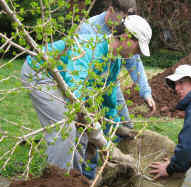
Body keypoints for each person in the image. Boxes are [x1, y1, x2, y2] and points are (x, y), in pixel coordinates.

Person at [21, 15, 152, 177]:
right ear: (126, 37)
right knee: (65, 129)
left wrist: (116, 126)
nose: (136, 54)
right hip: (41, 73)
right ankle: (56, 183)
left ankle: (75, 182)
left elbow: (108, 97)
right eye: (138, 48)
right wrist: (98, 135)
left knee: (81, 133)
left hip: (65, 80)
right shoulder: (89, 47)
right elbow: (76, 88)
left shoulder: (114, 60)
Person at [78, 0, 156, 128]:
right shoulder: (89, 28)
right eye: (124, 18)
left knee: (125, 125)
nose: (125, 23)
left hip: (109, 80)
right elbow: (77, 71)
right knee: (89, 125)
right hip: (86, 82)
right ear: (112, 10)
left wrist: (146, 92)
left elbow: (134, 63)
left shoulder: (125, 33)